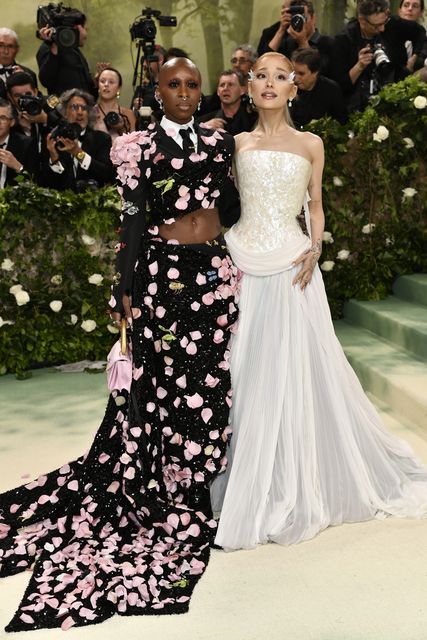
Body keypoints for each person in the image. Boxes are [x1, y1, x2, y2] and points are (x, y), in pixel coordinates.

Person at [0, 57, 240, 632]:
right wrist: (124, 286)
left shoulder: (219, 142)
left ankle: (198, 474)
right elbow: (132, 221)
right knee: (159, 382)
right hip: (161, 277)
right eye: (173, 85)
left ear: (201, 92)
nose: (184, 93)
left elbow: (231, 210)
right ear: (155, 91)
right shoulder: (136, 146)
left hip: (213, 275)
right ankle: (164, 477)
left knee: (210, 380)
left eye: (192, 85)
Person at [210, 51, 427, 550]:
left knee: (294, 370)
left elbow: (316, 205)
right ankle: (246, 476)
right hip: (241, 261)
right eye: (260, 76)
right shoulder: (235, 142)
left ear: (294, 87)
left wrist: (315, 244)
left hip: (292, 264)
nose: (269, 84)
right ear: (248, 86)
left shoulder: (311, 143)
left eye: (279, 76)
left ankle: (293, 475)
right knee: (243, 372)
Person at [331, 0, 427, 113]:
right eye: (376, 26)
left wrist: (414, 58)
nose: (382, 29)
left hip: (396, 92)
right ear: (362, 20)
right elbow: (339, 86)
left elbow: (420, 32)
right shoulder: (344, 40)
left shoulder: (392, 24)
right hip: (358, 106)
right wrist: (359, 66)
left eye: (384, 22)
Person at [44, 88, 114, 191]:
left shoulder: (102, 139)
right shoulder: (54, 140)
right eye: (74, 107)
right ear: (65, 113)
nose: (80, 112)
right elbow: (50, 183)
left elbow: (107, 174)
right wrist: (54, 158)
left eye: (84, 108)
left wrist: (78, 153)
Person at [257, 0, 333, 77]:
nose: (300, 22)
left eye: (303, 18)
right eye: (295, 18)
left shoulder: (328, 43)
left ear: (313, 18)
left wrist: (303, 43)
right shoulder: (288, 43)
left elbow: (320, 75)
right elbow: (265, 62)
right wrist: (281, 29)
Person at [36, 7, 97, 97]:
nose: (86, 33)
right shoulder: (47, 48)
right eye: (84, 28)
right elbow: (46, 81)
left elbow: (87, 90)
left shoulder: (75, 51)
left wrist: (97, 82)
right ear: (76, 28)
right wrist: (53, 49)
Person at [290, 48, 348, 128]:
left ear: (315, 72)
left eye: (301, 74)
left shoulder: (332, 90)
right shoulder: (287, 88)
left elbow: (341, 122)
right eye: (293, 72)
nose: (295, 79)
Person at [197, 69, 257, 134]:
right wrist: (203, 129)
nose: (225, 88)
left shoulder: (254, 120)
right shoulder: (204, 121)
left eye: (230, 85)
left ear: (242, 90)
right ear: (218, 91)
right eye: (222, 85)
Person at [0, 98, 38, 187]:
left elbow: (34, 184)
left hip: (13, 199)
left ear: (12, 122)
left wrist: (18, 167)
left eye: (2, 118)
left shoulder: (26, 144)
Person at [94, 67, 136, 141]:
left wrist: (122, 129)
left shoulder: (128, 114)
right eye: (102, 81)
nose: (106, 85)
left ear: (119, 88)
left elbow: (135, 143)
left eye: (111, 82)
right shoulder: (91, 112)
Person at [0, 28, 38, 98]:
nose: (6, 51)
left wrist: (25, 80)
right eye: (1, 46)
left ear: (17, 49)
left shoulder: (29, 74)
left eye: (10, 46)